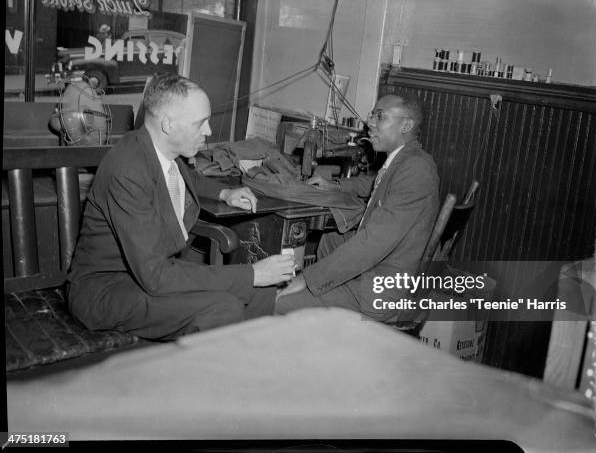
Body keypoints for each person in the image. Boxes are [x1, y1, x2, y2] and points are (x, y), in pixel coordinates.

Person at [67, 73, 295, 340]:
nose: (209, 131)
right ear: (168, 124)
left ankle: (240, 370)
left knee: (261, 293)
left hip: (150, 274)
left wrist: (225, 192)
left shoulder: (164, 153)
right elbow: (155, 276)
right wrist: (251, 273)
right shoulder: (127, 169)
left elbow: (189, 179)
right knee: (223, 308)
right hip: (107, 288)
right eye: (201, 123)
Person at [275, 94, 440, 323]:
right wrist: (336, 185)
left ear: (406, 125)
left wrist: (308, 279)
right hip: (383, 268)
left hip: (380, 290)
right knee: (330, 239)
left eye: (379, 116)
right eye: (372, 115)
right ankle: (326, 317)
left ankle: (318, 324)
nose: (370, 122)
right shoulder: (406, 159)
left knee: (277, 304)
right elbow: (375, 183)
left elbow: (372, 243)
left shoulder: (416, 170)